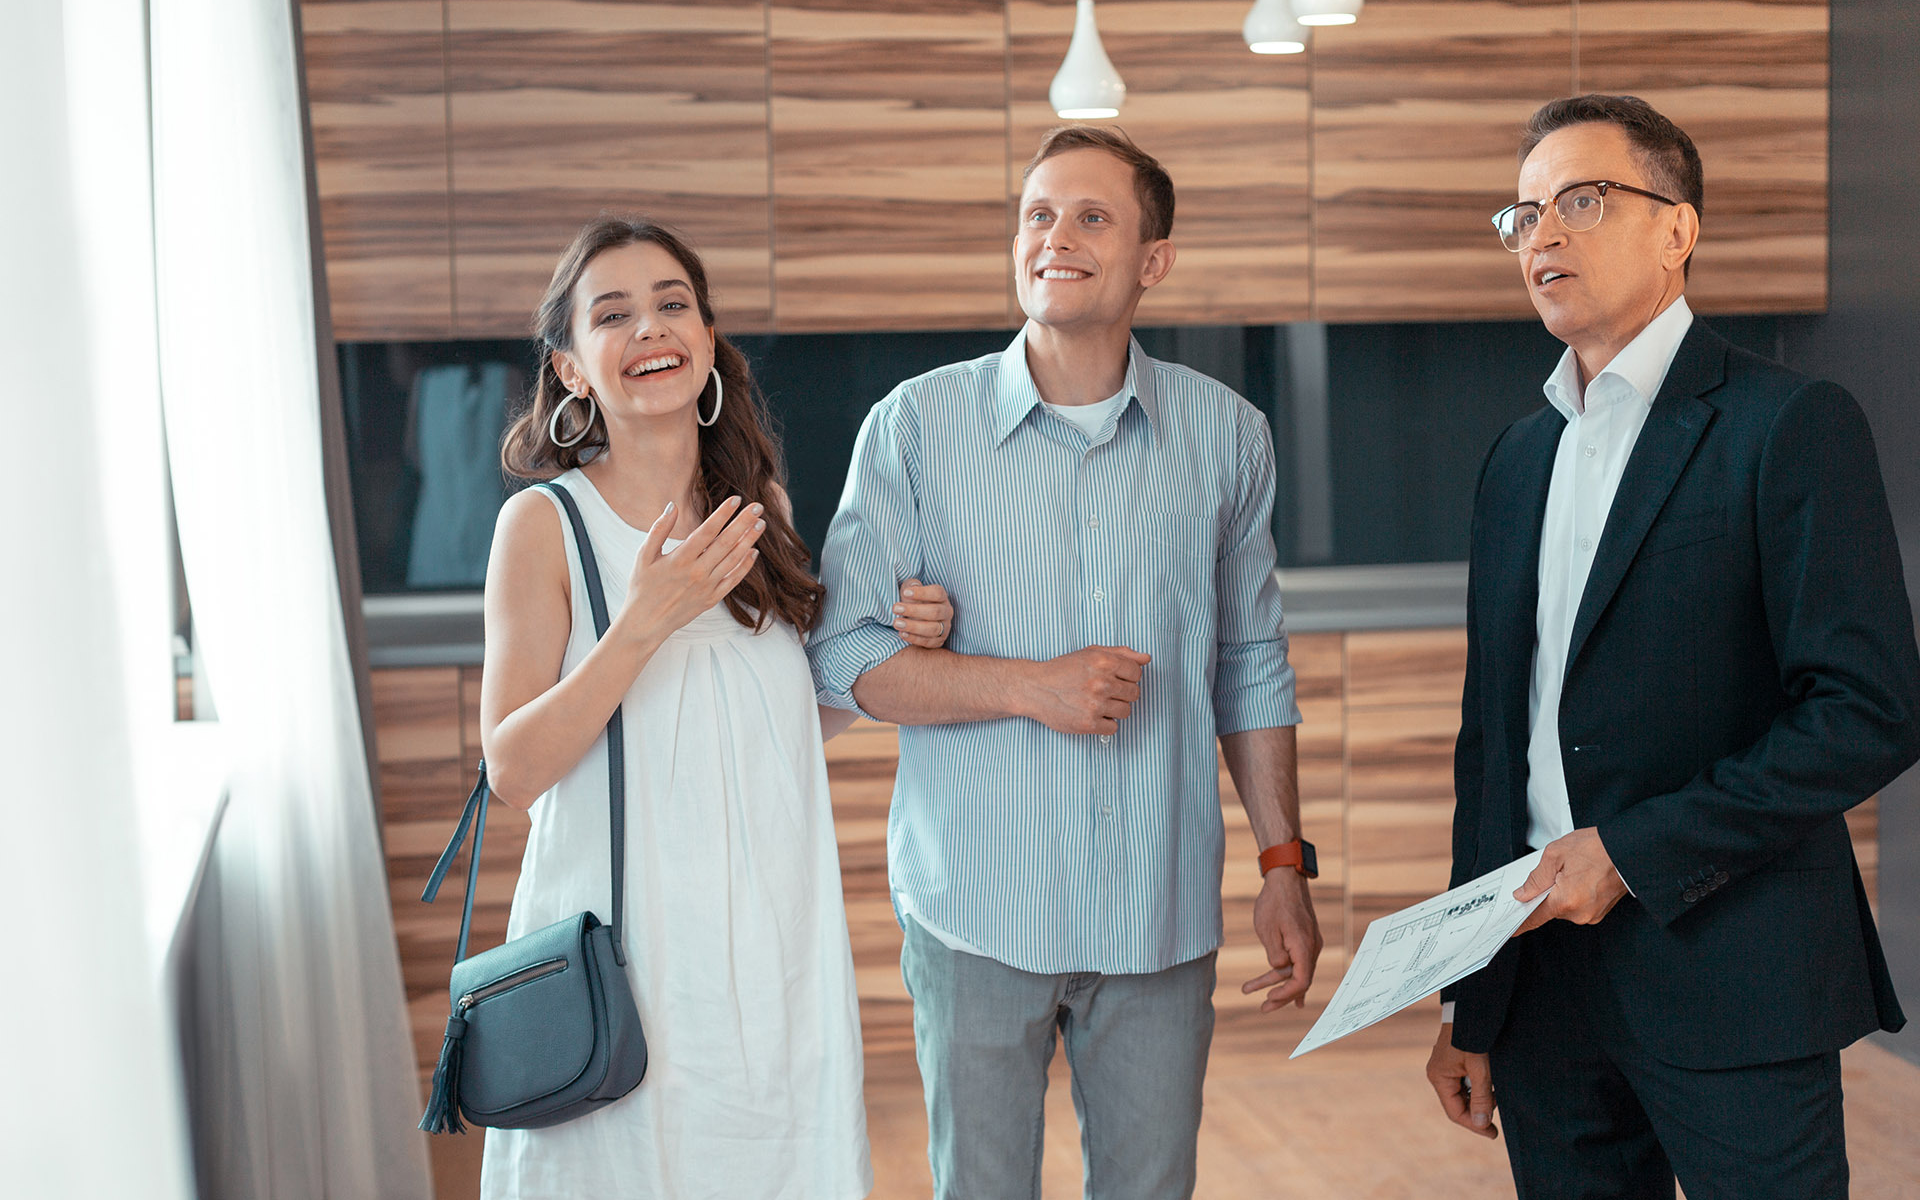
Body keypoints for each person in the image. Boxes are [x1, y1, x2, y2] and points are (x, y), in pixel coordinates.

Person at [808, 127, 1322, 1200]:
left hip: (1157, 908)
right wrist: (1026, 683)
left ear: (1153, 259)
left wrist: (1284, 862)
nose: (1057, 237)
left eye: (1093, 217)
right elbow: (845, 656)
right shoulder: (914, 427)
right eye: (1038, 214)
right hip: (975, 907)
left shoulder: (1229, 437)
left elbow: (1250, 661)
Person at [1425, 94, 1920, 1198]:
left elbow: (1869, 709)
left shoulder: (1789, 422)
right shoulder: (1516, 458)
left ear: (1677, 229)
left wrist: (1632, 853)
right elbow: (1491, 748)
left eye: (1582, 202)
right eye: (1524, 215)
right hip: (1542, 988)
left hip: (1733, 971)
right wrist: (1471, 997)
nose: (1543, 236)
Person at [473, 215, 953, 1199]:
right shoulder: (545, 524)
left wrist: (900, 646)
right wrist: (644, 620)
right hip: (632, 946)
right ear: (570, 368)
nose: (649, 328)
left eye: (672, 304)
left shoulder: (759, 507)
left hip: (772, 938)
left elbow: (776, 718)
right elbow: (512, 770)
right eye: (613, 314)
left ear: (705, 337)